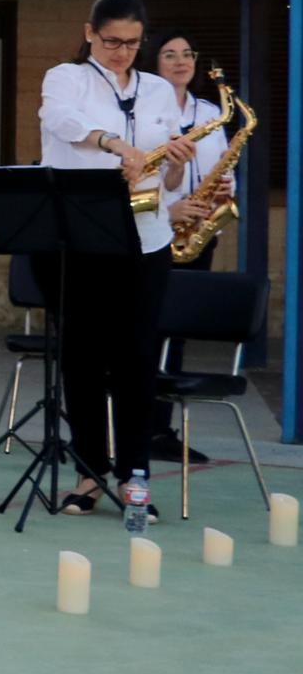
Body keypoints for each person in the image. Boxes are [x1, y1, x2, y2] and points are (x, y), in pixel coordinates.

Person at [36, 0, 185, 515]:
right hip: (82, 238)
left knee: (138, 359)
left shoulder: (159, 90)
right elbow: (62, 124)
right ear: (89, 33)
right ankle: (89, 473)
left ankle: (134, 475)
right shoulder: (66, 78)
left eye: (133, 43)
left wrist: (173, 162)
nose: (123, 52)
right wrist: (115, 145)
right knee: (81, 359)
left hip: (146, 237)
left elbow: (168, 176)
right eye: (112, 41)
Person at [148, 31, 232, 463]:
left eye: (187, 54)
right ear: (154, 62)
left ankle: (162, 429)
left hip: (198, 234)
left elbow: (220, 165)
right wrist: (171, 208)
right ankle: (138, 425)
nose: (181, 61)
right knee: (150, 329)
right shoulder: (148, 110)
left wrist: (219, 199)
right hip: (159, 230)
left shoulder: (210, 112)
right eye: (169, 54)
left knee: (176, 333)